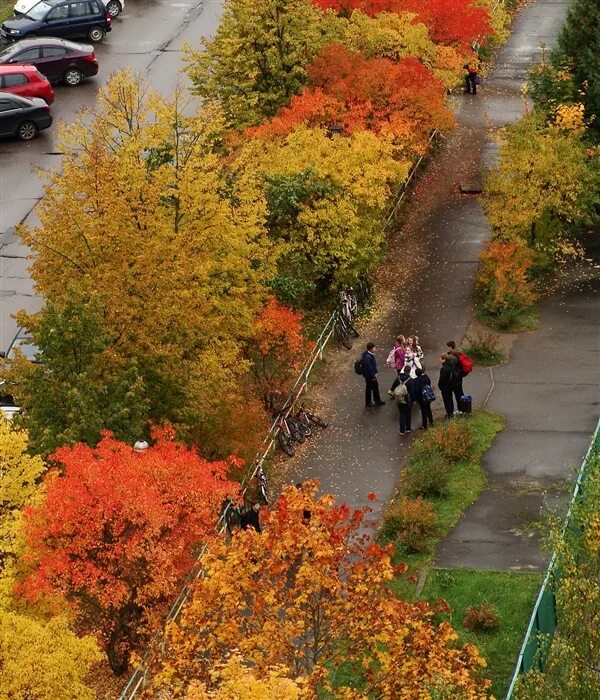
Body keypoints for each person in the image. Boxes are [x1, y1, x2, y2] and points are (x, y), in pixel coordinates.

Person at [362, 342, 385, 408]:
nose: (375, 349)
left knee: (375, 387)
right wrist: (373, 375)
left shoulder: (368, 354)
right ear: (370, 349)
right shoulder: (367, 357)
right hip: (370, 376)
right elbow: (369, 367)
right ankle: (369, 402)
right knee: (369, 388)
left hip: (371, 375)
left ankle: (376, 400)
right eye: (374, 348)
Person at [395, 364, 416, 435]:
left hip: (399, 399)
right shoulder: (410, 380)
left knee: (402, 414)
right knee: (408, 413)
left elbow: (393, 387)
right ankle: (408, 428)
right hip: (407, 400)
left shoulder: (398, 378)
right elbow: (412, 392)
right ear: (410, 371)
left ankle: (401, 430)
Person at [438, 354, 458, 419]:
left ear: (444, 360)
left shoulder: (444, 369)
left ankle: (449, 414)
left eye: (441, 359)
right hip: (451, 386)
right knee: (450, 399)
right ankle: (451, 412)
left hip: (445, 387)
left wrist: (440, 386)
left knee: (446, 401)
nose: (440, 360)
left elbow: (442, 379)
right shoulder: (451, 366)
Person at [446, 340, 465, 410]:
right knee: (460, 393)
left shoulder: (451, 357)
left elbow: (448, 366)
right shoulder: (458, 353)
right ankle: (463, 408)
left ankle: (461, 409)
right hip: (459, 376)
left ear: (450, 347)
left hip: (455, 377)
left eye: (448, 347)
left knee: (457, 394)